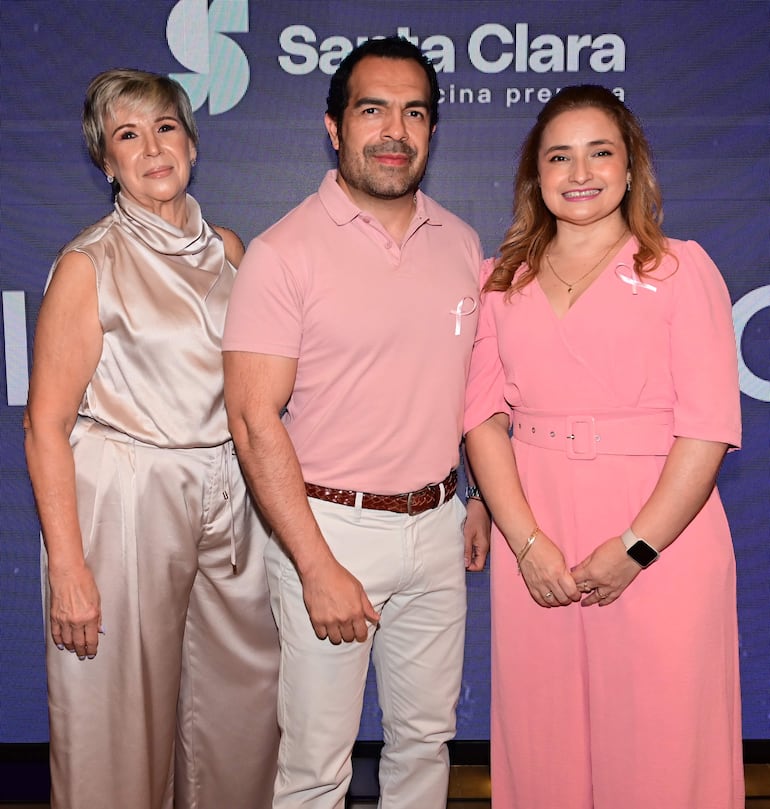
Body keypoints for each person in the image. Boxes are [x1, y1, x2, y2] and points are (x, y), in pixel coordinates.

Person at [222, 36, 489, 809]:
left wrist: (473, 496)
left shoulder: (460, 243)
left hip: (437, 529)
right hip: (329, 528)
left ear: (433, 129)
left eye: (414, 112)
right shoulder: (283, 252)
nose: (394, 131)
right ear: (336, 127)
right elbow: (250, 418)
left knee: (425, 744)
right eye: (373, 110)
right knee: (315, 768)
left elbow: (464, 389)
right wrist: (315, 564)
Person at [463, 84, 743, 808]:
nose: (579, 171)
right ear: (536, 174)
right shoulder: (501, 284)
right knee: (543, 746)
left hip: (662, 541)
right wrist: (526, 544)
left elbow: (707, 429)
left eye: (599, 153)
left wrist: (636, 548)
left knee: (661, 748)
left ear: (629, 169)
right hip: (539, 540)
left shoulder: (681, 270)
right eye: (559, 156)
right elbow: (482, 421)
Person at [23, 69, 279, 809]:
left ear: (192, 145)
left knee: (241, 713)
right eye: (127, 136)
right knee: (116, 726)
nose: (151, 148)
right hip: (125, 501)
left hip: (233, 501)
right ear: (106, 162)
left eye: (164, 128)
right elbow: (44, 424)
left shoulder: (232, 250)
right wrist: (69, 567)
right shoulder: (87, 264)